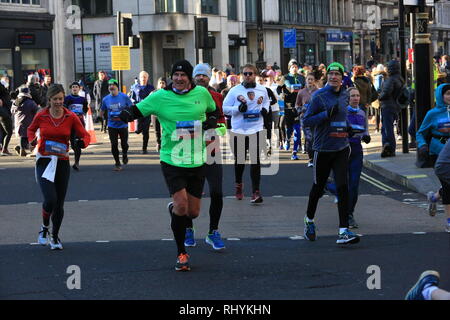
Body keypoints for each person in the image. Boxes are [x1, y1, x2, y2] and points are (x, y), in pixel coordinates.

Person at [119, 60, 218, 272]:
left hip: (197, 159)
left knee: (193, 213)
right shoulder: (160, 96)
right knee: (182, 206)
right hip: (171, 159)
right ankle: (181, 253)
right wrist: (126, 114)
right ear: (171, 76)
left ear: (190, 77)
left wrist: (211, 121)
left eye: (183, 75)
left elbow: (213, 111)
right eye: (176, 75)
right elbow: (137, 110)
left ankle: (174, 209)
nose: (179, 79)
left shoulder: (201, 94)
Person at [303, 62, 360, 245]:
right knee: (318, 187)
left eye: (337, 74)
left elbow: (342, 117)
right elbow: (307, 121)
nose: (334, 77)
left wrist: (349, 129)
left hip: (341, 148)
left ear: (342, 77)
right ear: (326, 76)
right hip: (323, 148)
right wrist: (326, 114)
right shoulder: (319, 96)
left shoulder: (345, 94)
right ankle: (309, 220)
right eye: (331, 74)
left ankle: (343, 231)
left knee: (343, 187)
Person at [27, 84, 91, 250]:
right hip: (44, 161)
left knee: (59, 203)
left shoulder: (70, 116)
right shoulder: (41, 115)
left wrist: (82, 142)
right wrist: (31, 140)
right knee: (50, 199)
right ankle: (44, 227)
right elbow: (30, 129)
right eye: (55, 99)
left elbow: (85, 134)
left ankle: (55, 237)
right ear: (49, 100)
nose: (58, 102)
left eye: (61, 99)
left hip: (62, 161)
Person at [184, 63, 227, 250]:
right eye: (198, 75)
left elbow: (223, 123)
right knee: (189, 194)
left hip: (211, 149)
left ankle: (213, 232)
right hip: (190, 150)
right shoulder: (185, 96)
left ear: (210, 78)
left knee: (217, 192)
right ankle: (188, 228)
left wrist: (215, 127)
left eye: (204, 75)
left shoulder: (217, 96)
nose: (201, 78)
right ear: (193, 77)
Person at [223, 64, 270, 203]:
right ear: (241, 75)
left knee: (256, 161)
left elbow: (267, 102)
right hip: (239, 130)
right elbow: (225, 108)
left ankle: (256, 192)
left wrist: (265, 110)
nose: (248, 76)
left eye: (250, 73)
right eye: (245, 73)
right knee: (240, 161)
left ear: (255, 74)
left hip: (256, 128)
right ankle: (239, 185)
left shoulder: (262, 90)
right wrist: (238, 109)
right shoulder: (234, 91)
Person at [325, 87, 371, 228]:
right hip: (343, 150)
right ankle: (327, 185)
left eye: (357, 95)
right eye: (353, 96)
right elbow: (334, 129)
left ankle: (349, 214)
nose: (356, 98)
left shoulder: (362, 113)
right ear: (347, 98)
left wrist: (366, 136)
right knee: (343, 184)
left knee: (354, 185)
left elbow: (365, 130)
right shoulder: (342, 113)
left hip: (357, 151)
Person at [101, 79, 133, 171]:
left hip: (123, 125)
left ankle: (125, 154)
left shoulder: (124, 97)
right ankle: (117, 163)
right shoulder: (105, 99)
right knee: (114, 144)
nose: (111, 87)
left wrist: (129, 115)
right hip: (112, 125)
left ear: (117, 87)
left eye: (113, 85)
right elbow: (102, 110)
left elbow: (131, 106)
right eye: (109, 86)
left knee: (124, 144)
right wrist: (100, 118)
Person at [416, 83, 450, 168]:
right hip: (438, 151)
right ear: (440, 96)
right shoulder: (432, 114)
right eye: (448, 94)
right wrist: (422, 145)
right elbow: (420, 133)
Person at [379, 60, 404, 158]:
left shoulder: (390, 80)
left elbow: (386, 93)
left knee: (386, 129)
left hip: (388, 106)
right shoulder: (400, 78)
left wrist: (380, 97)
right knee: (387, 128)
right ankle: (389, 147)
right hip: (395, 106)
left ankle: (388, 147)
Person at [296, 73, 319, 167]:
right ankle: (311, 159)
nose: (310, 81)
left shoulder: (318, 92)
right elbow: (297, 105)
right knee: (309, 138)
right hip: (305, 118)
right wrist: (301, 109)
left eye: (311, 79)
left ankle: (316, 158)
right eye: (308, 79)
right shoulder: (301, 92)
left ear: (314, 81)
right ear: (305, 80)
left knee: (316, 137)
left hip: (316, 117)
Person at [65, 82, 89, 171]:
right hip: (69, 124)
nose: (75, 88)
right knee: (72, 143)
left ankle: (77, 163)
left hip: (80, 123)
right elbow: (64, 109)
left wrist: (80, 115)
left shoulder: (83, 99)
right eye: (73, 87)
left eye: (76, 87)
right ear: (71, 89)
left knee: (77, 143)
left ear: (79, 89)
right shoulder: (67, 98)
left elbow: (85, 109)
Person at [284, 60, 305, 157]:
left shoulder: (301, 77)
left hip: (299, 105)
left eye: (296, 66)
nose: (294, 68)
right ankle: (287, 139)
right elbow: (284, 89)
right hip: (288, 105)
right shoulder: (285, 78)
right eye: (292, 67)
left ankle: (295, 152)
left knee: (297, 129)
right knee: (289, 128)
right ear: (289, 68)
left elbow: (305, 89)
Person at [130, 71, 155, 154]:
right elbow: (132, 98)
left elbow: (153, 99)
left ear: (147, 78)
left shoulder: (151, 88)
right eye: (142, 77)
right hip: (138, 110)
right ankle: (139, 129)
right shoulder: (134, 87)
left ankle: (144, 148)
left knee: (146, 131)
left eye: (145, 77)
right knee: (137, 130)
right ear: (139, 78)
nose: (143, 78)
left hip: (147, 111)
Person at [11, 86, 39, 157]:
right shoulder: (30, 102)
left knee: (22, 137)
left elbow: (12, 110)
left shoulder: (16, 101)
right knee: (27, 137)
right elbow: (36, 110)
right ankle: (22, 149)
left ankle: (21, 148)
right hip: (28, 121)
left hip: (18, 122)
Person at [431, 137, 450, 232]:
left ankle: (433, 198)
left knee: (447, 189)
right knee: (448, 192)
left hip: (443, 166)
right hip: (444, 167)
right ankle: (449, 223)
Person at [151, 77, 167, 152]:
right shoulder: (153, 93)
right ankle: (158, 143)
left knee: (164, 130)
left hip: (165, 115)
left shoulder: (168, 93)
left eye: (163, 83)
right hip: (155, 115)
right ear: (157, 84)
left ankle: (164, 144)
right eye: (160, 83)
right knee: (157, 130)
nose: (161, 85)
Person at [372, 64, 387, 133]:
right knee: (383, 112)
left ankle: (376, 128)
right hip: (383, 96)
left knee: (376, 113)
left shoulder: (374, 75)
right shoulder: (385, 76)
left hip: (376, 97)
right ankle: (383, 126)